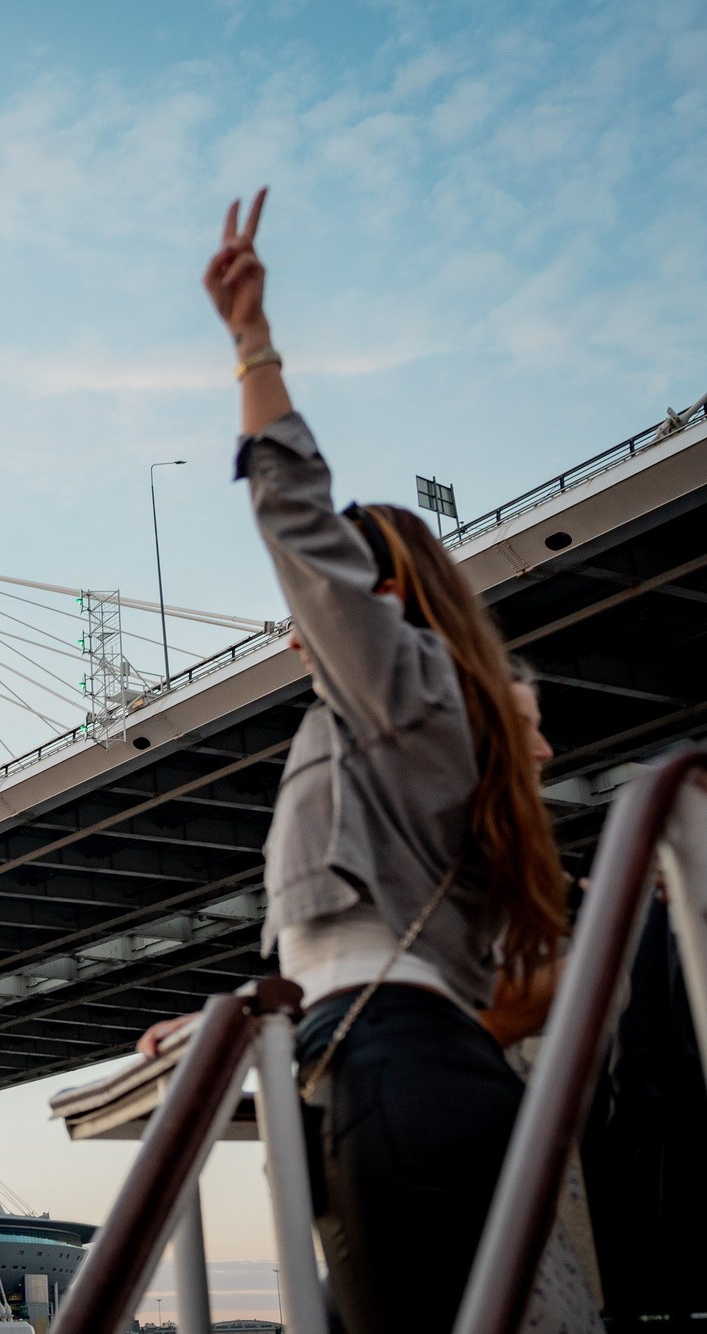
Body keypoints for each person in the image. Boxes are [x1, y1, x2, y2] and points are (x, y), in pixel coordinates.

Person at [138, 190, 575, 1333]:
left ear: (379, 593)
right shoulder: (426, 716)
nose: (299, 616)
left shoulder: (399, 681)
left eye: (332, 588)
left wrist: (250, 339)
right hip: (391, 1059)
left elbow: (292, 513)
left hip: (390, 1070)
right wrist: (236, 1021)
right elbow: (391, 942)